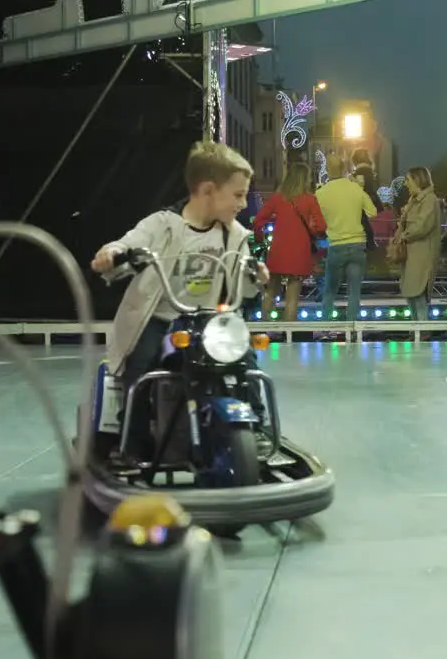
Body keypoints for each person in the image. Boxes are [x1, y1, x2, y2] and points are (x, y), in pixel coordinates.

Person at [89, 141, 265, 457]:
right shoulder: (162, 225)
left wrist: (255, 275)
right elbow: (126, 245)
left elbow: (246, 284)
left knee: (244, 359)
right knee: (140, 368)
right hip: (158, 316)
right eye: (238, 195)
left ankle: (256, 426)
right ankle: (134, 442)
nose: (243, 204)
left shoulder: (234, 234)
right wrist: (112, 254)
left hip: (208, 318)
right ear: (208, 190)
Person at [255, 162, 326, 322]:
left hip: (278, 250)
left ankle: (265, 328)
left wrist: (261, 238)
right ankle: (289, 336)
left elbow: (258, 220)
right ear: (305, 179)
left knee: (271, 291)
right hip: (299, 251)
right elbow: (321, 226)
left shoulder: (277, 198)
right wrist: (311, 231)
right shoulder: (310, 199)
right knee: (292, 296)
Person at [315, 153, 378, 323]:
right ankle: (352, 327)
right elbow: (373, 212)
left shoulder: (321, 193)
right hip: (357, 244)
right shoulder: (355, 188)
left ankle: (325, 326)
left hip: (336, 244)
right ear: (344, 169)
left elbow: (315, 220)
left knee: (330, 290)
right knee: (354, 290)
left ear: (327, 170)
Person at [392, 167, 443, 319]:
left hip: (422, 255)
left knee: (418, 293)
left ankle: (422, 329)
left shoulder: (429, 200)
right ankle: (416, 329)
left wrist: (404, 235)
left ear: (417, 180)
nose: (406, 184)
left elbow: (422, 225)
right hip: (412, 255)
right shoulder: (414, 200)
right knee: (411, 293)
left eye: (408, 180)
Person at [350, 148, 384, 245]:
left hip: (362, 199)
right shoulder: (369, 170)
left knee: (362, 221)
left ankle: (369, 242)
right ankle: (370, 242)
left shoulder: (359, 172)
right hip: (371, 197)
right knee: (364, 221)